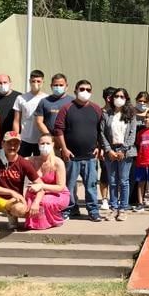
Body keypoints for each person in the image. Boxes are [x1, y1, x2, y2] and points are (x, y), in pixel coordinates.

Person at [0, 131, 42, 247]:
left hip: (12, 201)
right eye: (9, 143)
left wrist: (36, 203)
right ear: (3, 143)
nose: (12, 147)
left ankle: (12, 215)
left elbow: (40, 185)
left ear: (20, 146)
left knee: (23, 210)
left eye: (16, 144)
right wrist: (11, 191)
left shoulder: (23, 163)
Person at [53, 80, 103, 222]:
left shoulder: (96, 109)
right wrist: (64, 148)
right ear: (75, 91)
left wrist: (99, 147)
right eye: (82, 89)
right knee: (68, 186)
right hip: (71, 156)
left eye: (88, 89)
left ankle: (93, 211)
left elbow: (101, 130)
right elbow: (58, 130)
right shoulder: (67, 108)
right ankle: (68, 210)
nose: (85, 92)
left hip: (90, 157)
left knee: (91, 186)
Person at [99, 88, 137, 221]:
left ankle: (123, 208)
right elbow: (102, 133)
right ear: (112, 98)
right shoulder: (106, 114)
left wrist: (123, 150)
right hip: (111, 151)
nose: (119, 98)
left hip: (125, 151)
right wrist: (109, 150)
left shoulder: (131, 115)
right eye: (117, 96)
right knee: (113, 181)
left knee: (124, 181)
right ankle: (113, 207)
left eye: (122, 96)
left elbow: (132, 134)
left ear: (126, 99)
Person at [22, 134, 69, 230]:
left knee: (44, 202)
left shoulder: (58, 163)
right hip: (37, 192)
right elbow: (17, 160)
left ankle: (54, 220)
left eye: (47, 143)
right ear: (38, 145)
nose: (45, 146)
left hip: (57, 193)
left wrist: (41, 186)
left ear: (52, 144)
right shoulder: (32, 160)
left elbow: (60, 187)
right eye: (42, 143)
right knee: (28, 201)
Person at [12, 70, 47, 158]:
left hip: (41, 139)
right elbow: (16, 120)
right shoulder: (21, 98)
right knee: (21, 164)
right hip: (24, 139)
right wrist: (16, 137)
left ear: (43, 82)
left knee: (40, 166)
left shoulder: (47, 99)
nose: (36, 83)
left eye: (38, 81)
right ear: (29, 81)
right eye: (33, 81)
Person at [36, 73, 72, 139]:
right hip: (50, 140)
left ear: (66, 86)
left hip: (68, 139)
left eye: (61, 85)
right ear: (51, 86)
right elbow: (39, 122)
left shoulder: (73, 102)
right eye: (56, 85)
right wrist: (49, 136)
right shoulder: (44, 101)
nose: (58, 87)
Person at [98, 86, 117, 212]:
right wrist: (99, 148)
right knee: (105, 174)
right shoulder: (100, 112)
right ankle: (104, 199)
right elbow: (97, 132)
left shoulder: (120, 112)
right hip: (104, 148)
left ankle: (115, 198)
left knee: (117, 175)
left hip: (118, 149)